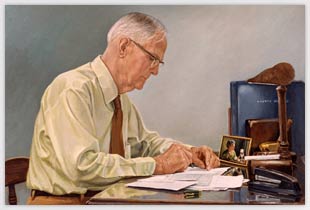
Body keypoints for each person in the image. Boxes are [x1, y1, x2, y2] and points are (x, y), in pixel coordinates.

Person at [26, 12, 220, 204]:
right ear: (124, 46)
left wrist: (189, 153)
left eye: (159, 63)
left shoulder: (120, 100)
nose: (156, 70)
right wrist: (157, 165)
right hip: (65, 203)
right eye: (152, 58)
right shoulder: (73, 89)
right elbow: (81, 168)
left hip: (106, 201)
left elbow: (145, 144)